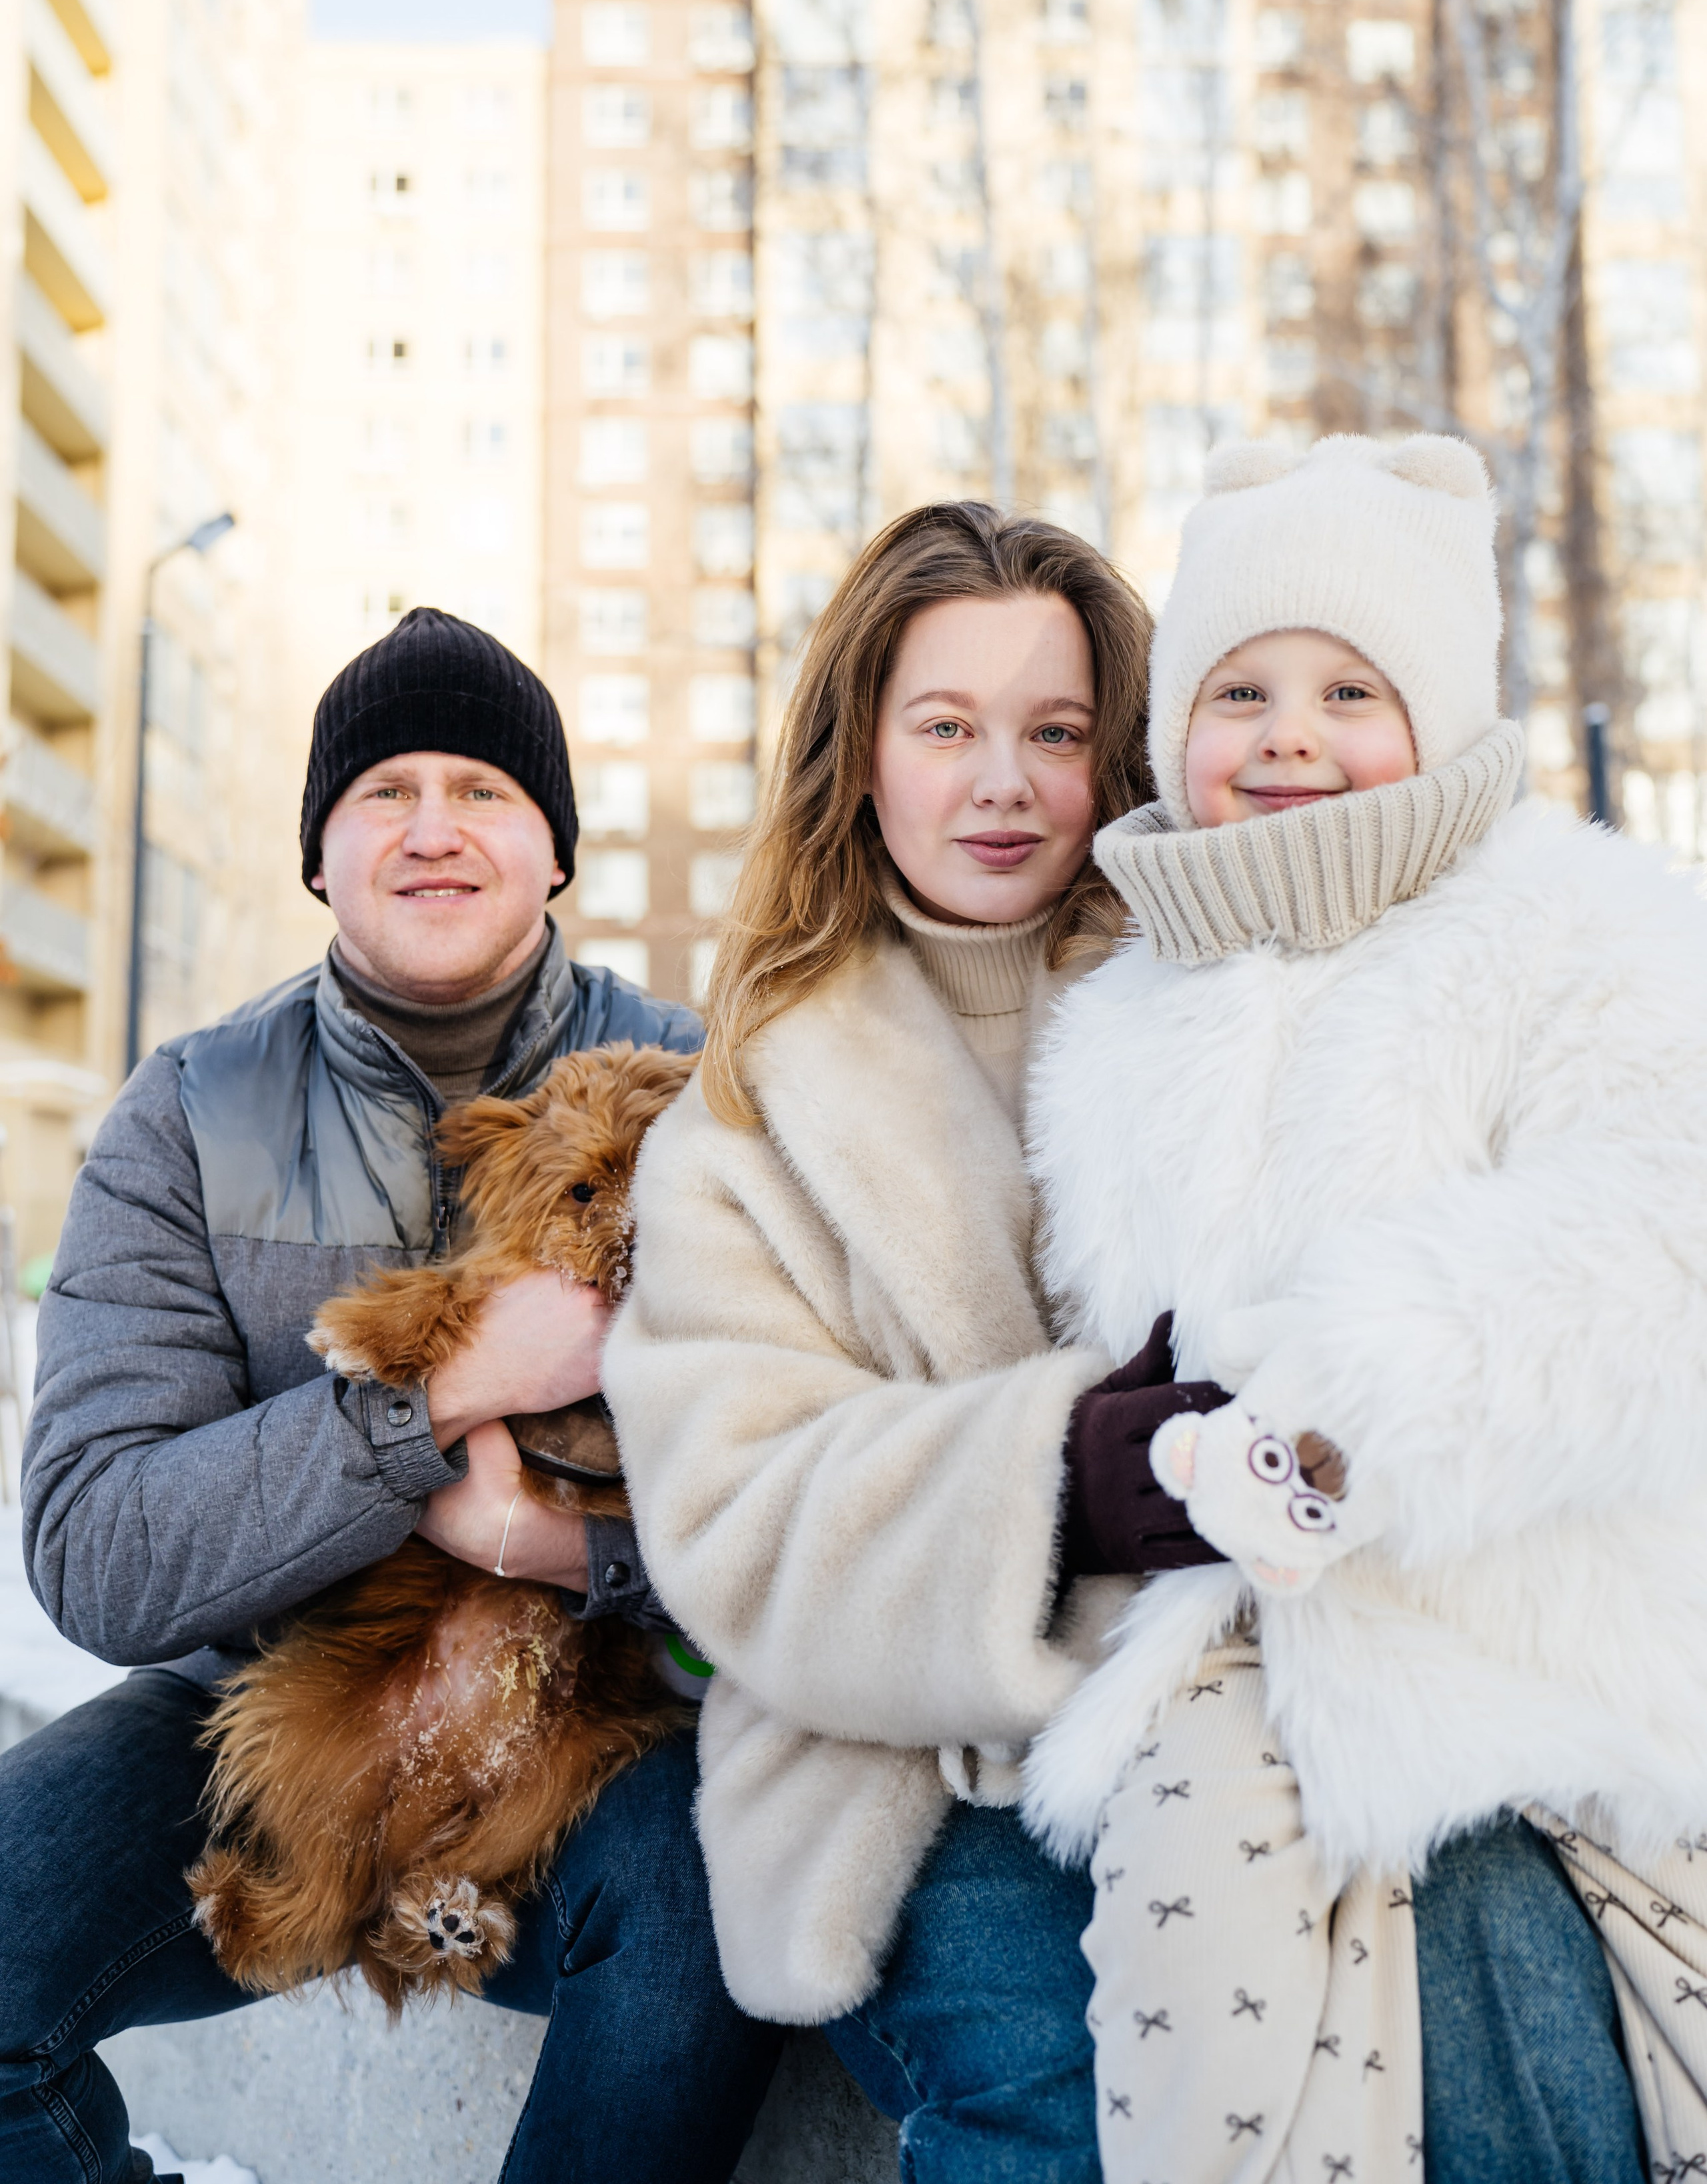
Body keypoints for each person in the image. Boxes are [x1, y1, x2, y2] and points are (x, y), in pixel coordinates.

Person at [605, 496, 1660, 2183]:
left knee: (1508, 2017)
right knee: (1050, 2084)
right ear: (857, 756)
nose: (1003, 782)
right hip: (912, 1764)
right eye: (944, 728)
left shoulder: (1246, 964)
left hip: (1294, 1668)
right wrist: (1062, 1479)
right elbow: (734, 1529)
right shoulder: (745, 1121)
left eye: (1057, 731)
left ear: (1132, 750)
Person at [2, 608, 781, 2184]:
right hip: (277, 1703)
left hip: (607, 1721)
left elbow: (810, 1480)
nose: (434, 827)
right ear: (320, 854)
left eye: (486, 791)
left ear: (554, 848)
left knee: (715, 1892)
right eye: (386, 792)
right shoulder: (189, 1115)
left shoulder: (709, 1092)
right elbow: (99, 1549)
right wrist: (427, 1408)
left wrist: (562, 1555)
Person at [1023, 431, 1707, 2183]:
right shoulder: (1122, 1025)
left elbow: (1654, 1228)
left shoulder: (1584, 923)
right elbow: (1112, 1350)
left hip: (1549, 1607)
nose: (1294, 736)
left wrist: (1347, 1404)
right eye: (1240, 689)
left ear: (1446, 709)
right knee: (1194, 1963)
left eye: (1351, 686)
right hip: (1237, 1634)